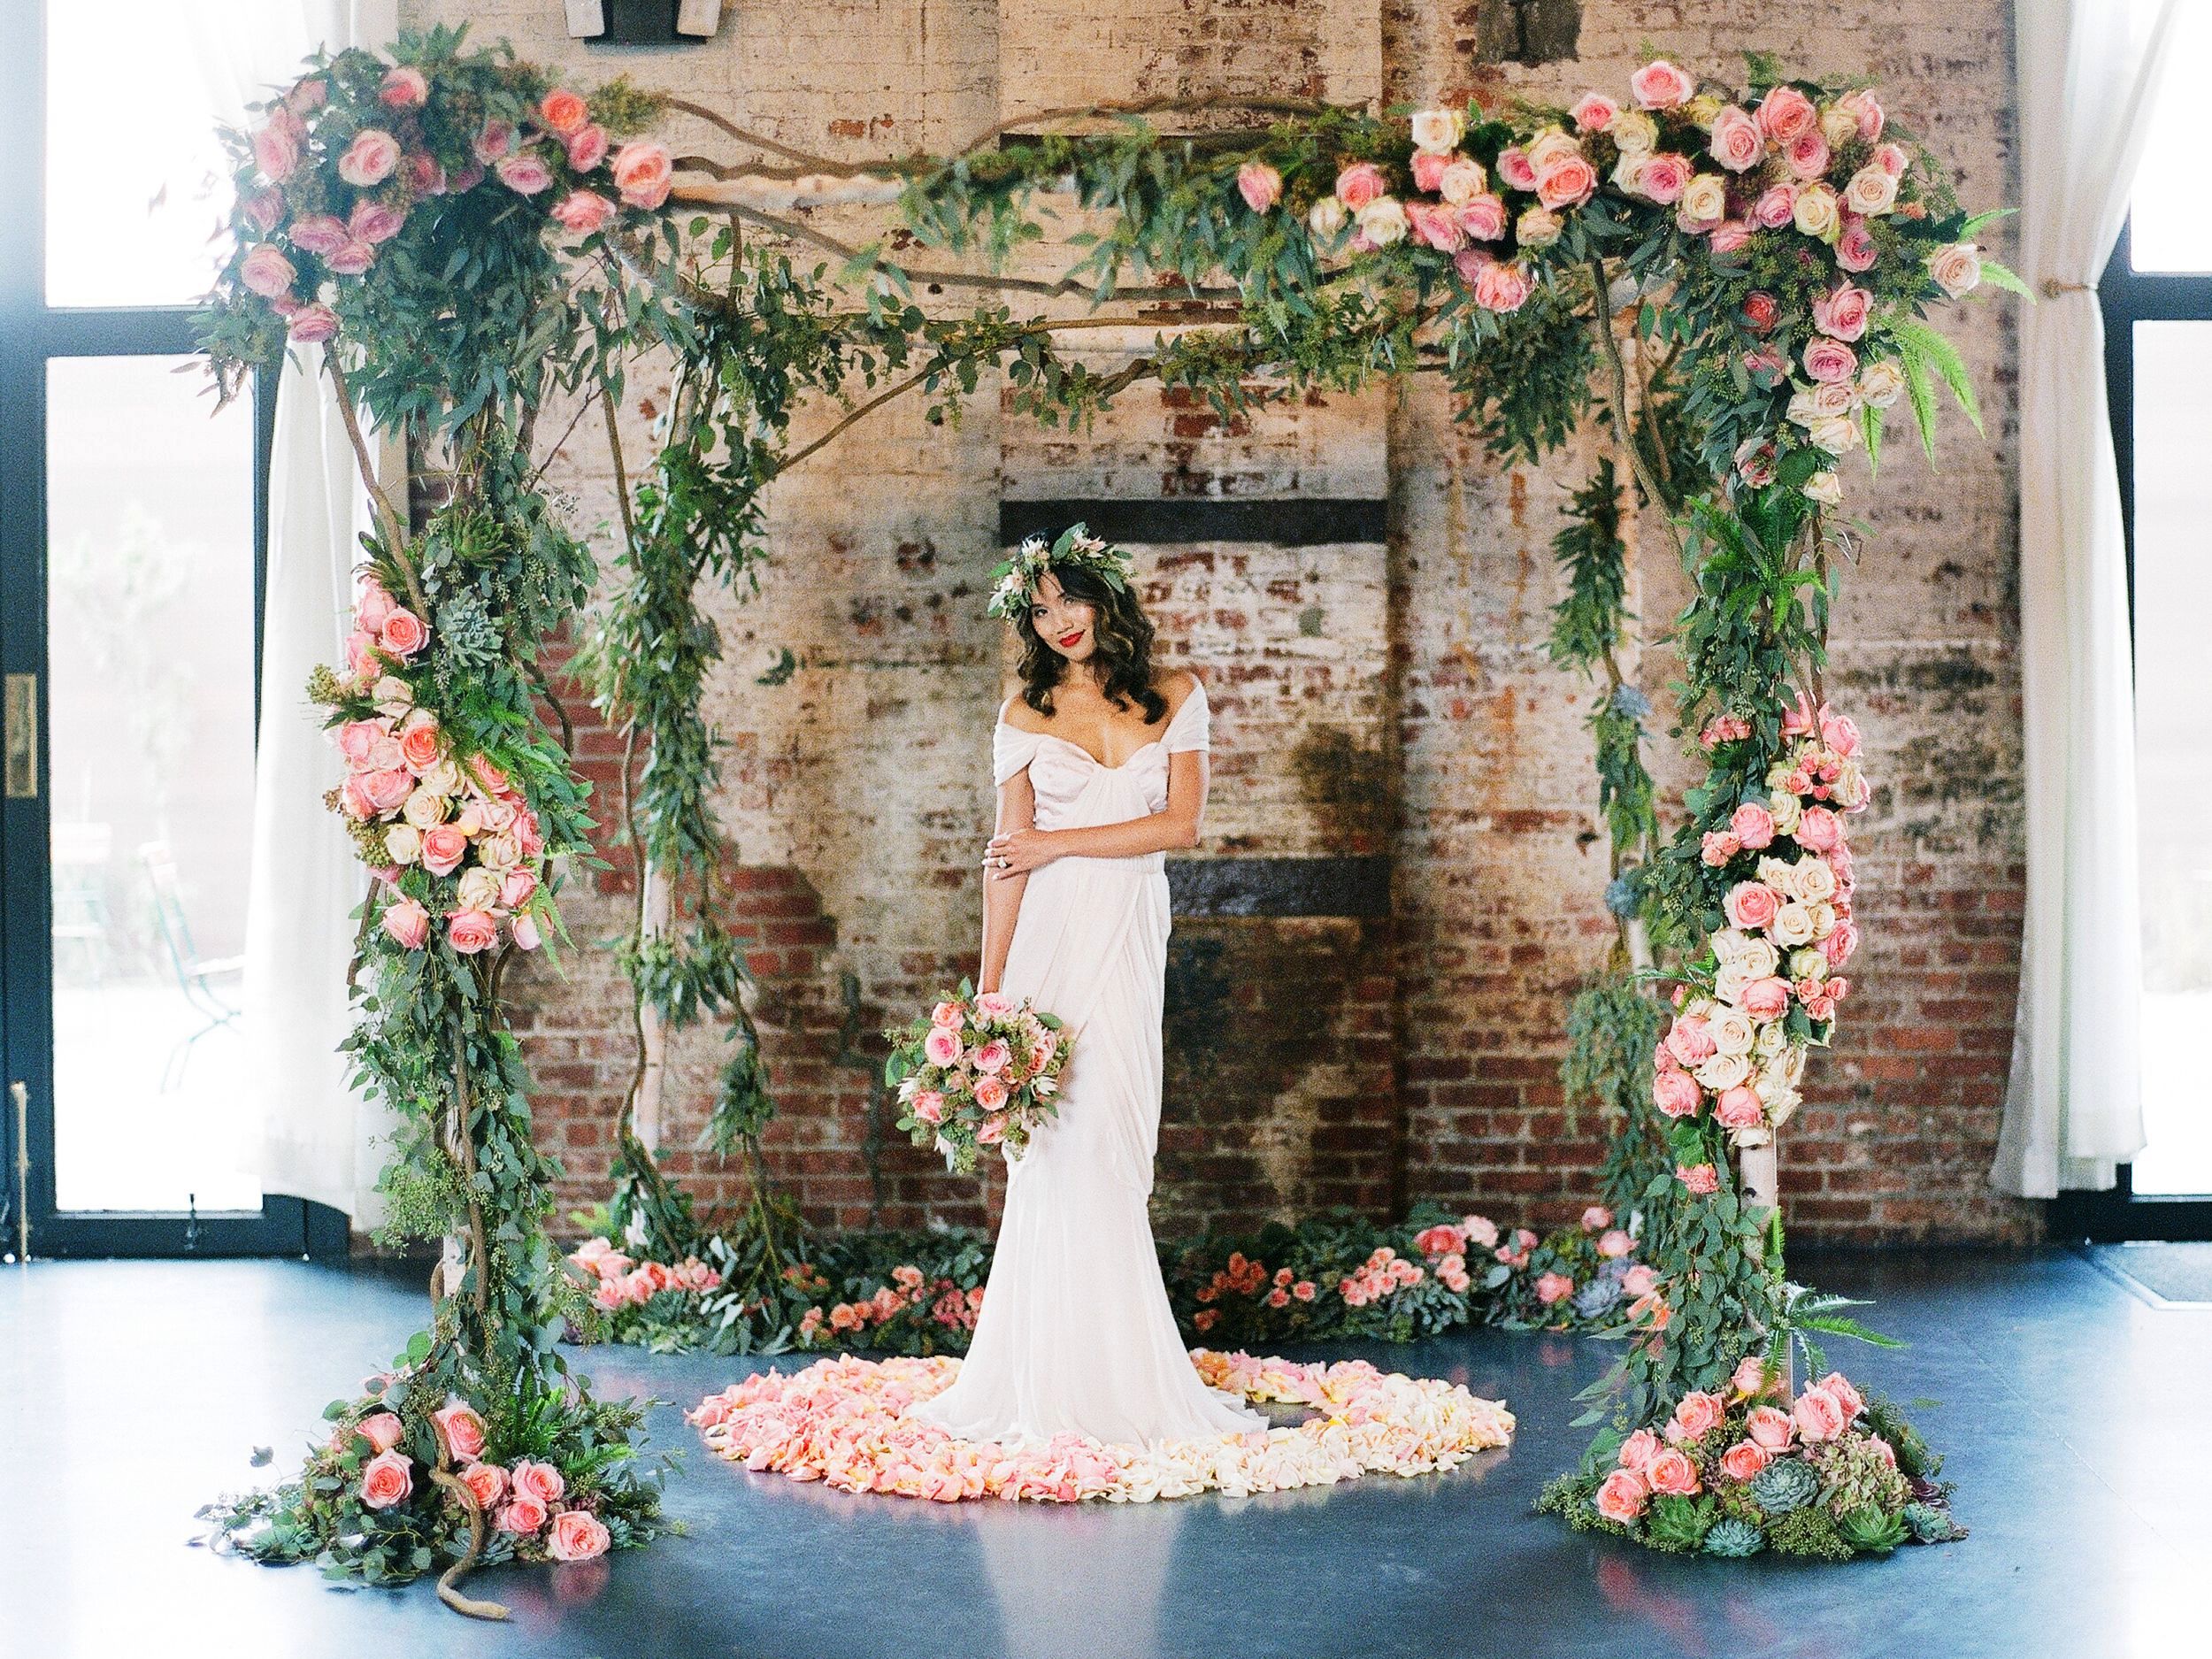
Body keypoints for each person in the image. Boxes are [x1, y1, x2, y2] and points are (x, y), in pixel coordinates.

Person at [904, 526, 1266, 1446]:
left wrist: (1056, 841)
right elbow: (1004, 860)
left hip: (1128, 930)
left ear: (1105, 599)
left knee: (1114, 1140)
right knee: (1055, 1148)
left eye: (1070, 599)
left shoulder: (1177, 696)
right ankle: (1045, 1381)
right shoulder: (1023, 715)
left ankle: (1123, 1380)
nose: (1057, 621)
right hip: (1049, 942)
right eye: (1038, 608)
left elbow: (1180, 827)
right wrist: (988, 999)